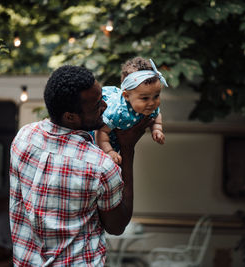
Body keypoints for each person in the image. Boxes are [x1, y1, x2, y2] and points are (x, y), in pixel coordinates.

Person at [9, 65, 153, 266]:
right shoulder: (100, 166)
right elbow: (117, 225)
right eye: (96, 106)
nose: (105, 105)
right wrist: (127, 149)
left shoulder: (23, 138)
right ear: (70, 116)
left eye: (102, 96)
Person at [96, 57, 168, 164]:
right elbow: (101, 131)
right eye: (145, 98)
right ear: (126, 96)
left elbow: (157, 114)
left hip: (120, 141)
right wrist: (109, 151)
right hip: (101, 142)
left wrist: (157, 129)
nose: (152, 103)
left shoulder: (149, 107)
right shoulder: (117, 111)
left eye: (156, 96)